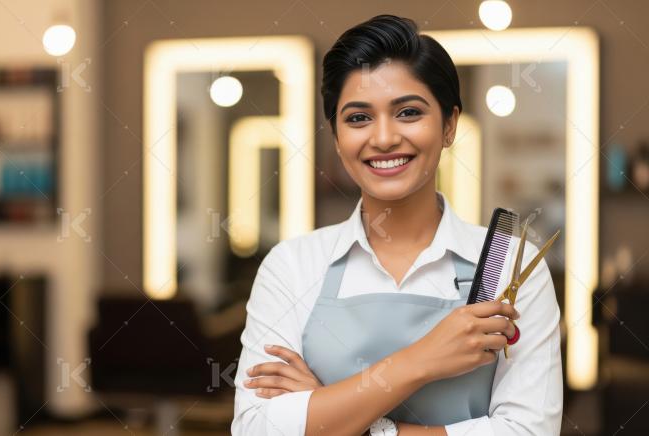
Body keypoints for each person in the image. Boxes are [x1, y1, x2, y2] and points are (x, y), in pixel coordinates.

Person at [231, 14, 563, 436]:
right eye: (357, 118)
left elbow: (528, 432)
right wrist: (420, 360)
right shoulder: (293, 266)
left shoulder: (510, 269)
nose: (384, 138)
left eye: (408, 112)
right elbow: (256, 429)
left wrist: (336, 414)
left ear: (449, 125)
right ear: (336, 137)